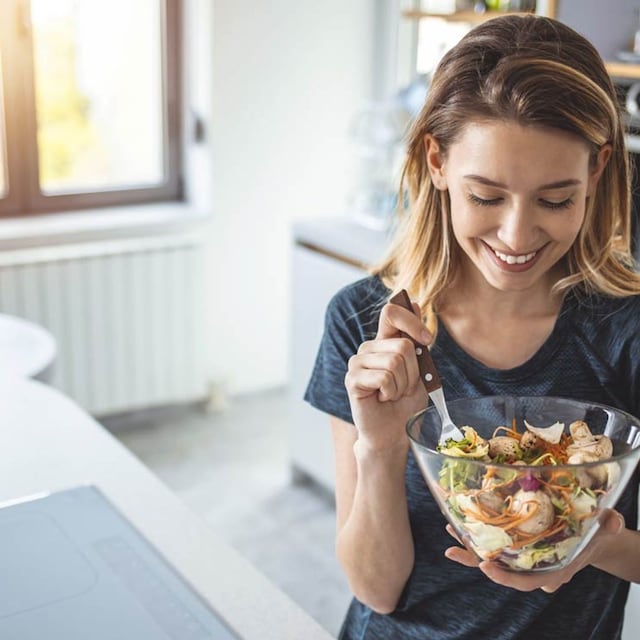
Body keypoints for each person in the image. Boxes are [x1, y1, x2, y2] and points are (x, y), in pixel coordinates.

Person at [304, 13, 640, 640]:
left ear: (595, 173)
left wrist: (585, 547)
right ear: (436, 161)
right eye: (486, 196)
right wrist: (380, 448)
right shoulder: (363, 324)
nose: (516, 237)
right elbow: (375, 589)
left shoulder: (626, 332)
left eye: (555, 198)